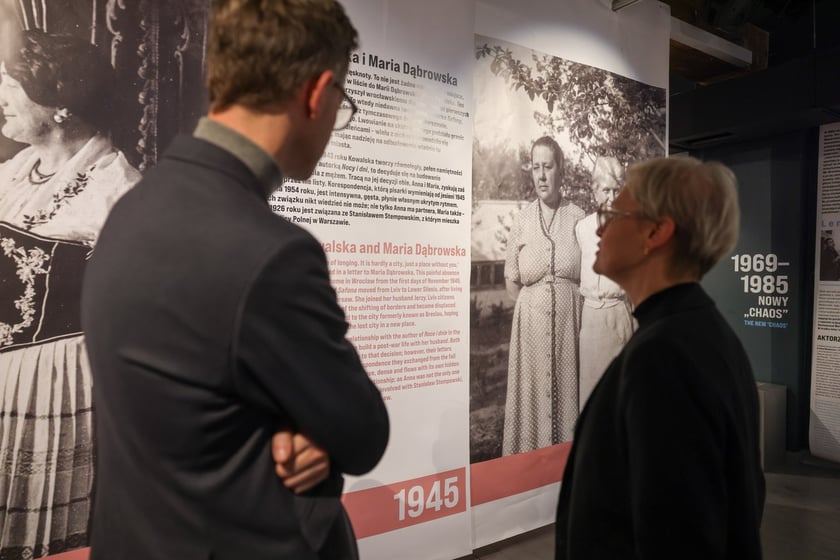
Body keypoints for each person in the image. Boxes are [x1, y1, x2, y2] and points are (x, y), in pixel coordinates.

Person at [80, 1, 389, 559]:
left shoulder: (126, 214)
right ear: (317, 96)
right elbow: (363, 432)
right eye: (342, 104)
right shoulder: (273, 254)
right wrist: (316, 429)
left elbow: (189, 412)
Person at [555, 156, 765, 559]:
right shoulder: (694, 334)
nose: (600, 224)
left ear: (656, 231)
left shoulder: (664, 360)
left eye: (615, 212)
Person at [0, 29, 140, 558]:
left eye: (9, 84)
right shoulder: (11, 173)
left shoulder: (119, 189)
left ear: (59, 104)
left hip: (55, 382)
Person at [502, 135, 584, 455]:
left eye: (547, 167)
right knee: (532, 401)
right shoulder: (521, 220)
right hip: (531, 332)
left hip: (570, 330)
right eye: (535, 167)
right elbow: (512, 281)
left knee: (568, 399)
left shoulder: (578, 218)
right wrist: (535, 303)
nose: (540, 175)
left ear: (560, 170)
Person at [575, 156, 635, 411]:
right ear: (594, 191)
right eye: (605, 190)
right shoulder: (582, 228)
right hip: (592, 318)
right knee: (593, 393)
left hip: (620, 314)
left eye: (616, 189)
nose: (611, 197)